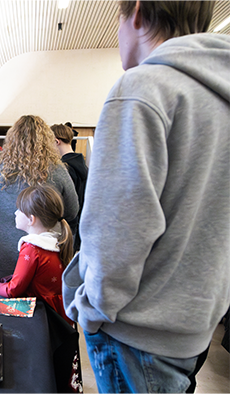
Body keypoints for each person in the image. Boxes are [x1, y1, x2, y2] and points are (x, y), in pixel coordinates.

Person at [62, 2, 230, 393]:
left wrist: (91, 310)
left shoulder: (141, 89)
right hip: (193, 328)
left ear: (135, 12)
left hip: (137, 334)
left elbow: (117, 229)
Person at [0, 115, 79, 279]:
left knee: (3, 298)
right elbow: (72, 211)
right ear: (47, 140)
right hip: (44, 252)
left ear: (12, 139)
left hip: (4, 250)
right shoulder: (58, 170)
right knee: (42, 299)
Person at [0, 184, 73, 323]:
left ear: (31, 219)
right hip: (55, 314)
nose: (15, 213)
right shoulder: (54, 241)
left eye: (19, 210)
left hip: (38, 316)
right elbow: (23, 278)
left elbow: (13, 290)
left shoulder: (32, 247)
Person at [51, 123, 88, 251]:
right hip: (78, 228)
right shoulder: (83, 166)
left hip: (66, 229)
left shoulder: (64, 169)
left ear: (56, 141)